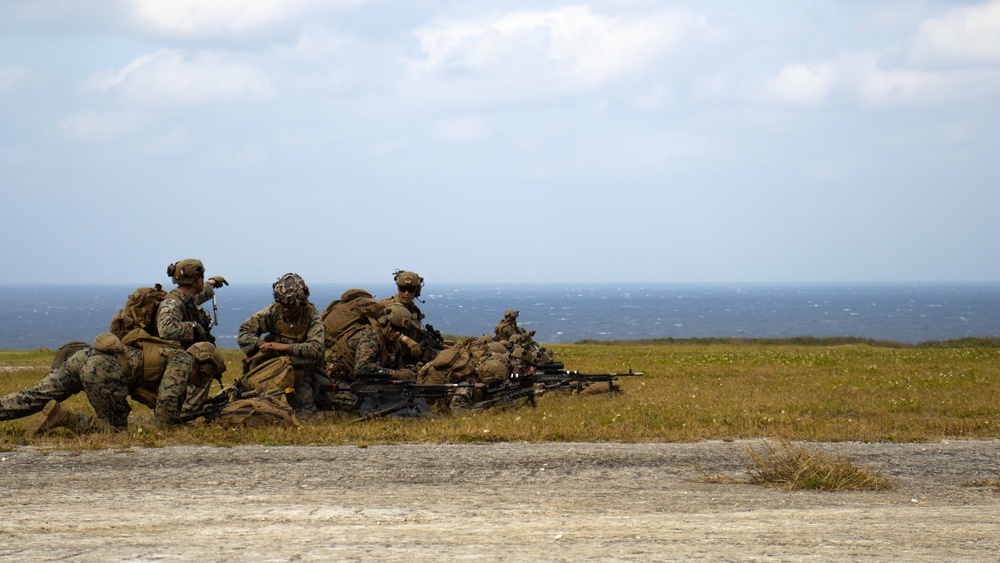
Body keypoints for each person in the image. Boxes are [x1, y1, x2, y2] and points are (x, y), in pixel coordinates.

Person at [0, 332, 225, 435]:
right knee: (114, 429)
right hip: (105, 371)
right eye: (206, 375)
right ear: (204, 366)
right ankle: (65, 418)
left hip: (83, 357)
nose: (201, 382)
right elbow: (167, 398)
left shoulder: (168, 353)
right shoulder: (182, 360)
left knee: (33, 396)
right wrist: (167, 431)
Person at [237, 273, 330, 419]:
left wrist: (285, 348)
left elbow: (316, 348)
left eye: (290, 306)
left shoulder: (312, 316)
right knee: (253, 408)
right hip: (273, 367)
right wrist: (261, 345)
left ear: (301, 302)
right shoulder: (273, 312)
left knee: (306, 417)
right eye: (282, 305)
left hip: (300, 371)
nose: (286, 310)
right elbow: (245, 332)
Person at [157, 258, 228, 411]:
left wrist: (212, 282)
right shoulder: (172, 303)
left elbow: (201, 293)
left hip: (176, 354)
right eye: (201, 277)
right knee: (205, 365)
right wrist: (194, 327)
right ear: (196, 279)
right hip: (168, 356)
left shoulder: (185, 297)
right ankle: (187, 411)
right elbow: (165, 329)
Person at [378, 269, 426, 362]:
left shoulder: (414, 310)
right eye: (403, 289)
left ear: (416, 291)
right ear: (398, 289)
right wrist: (404, 339)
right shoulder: (387, 306)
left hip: (406, 359)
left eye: (411, 290)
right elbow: (379, 330)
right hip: (388, 358)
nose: (406, 293)